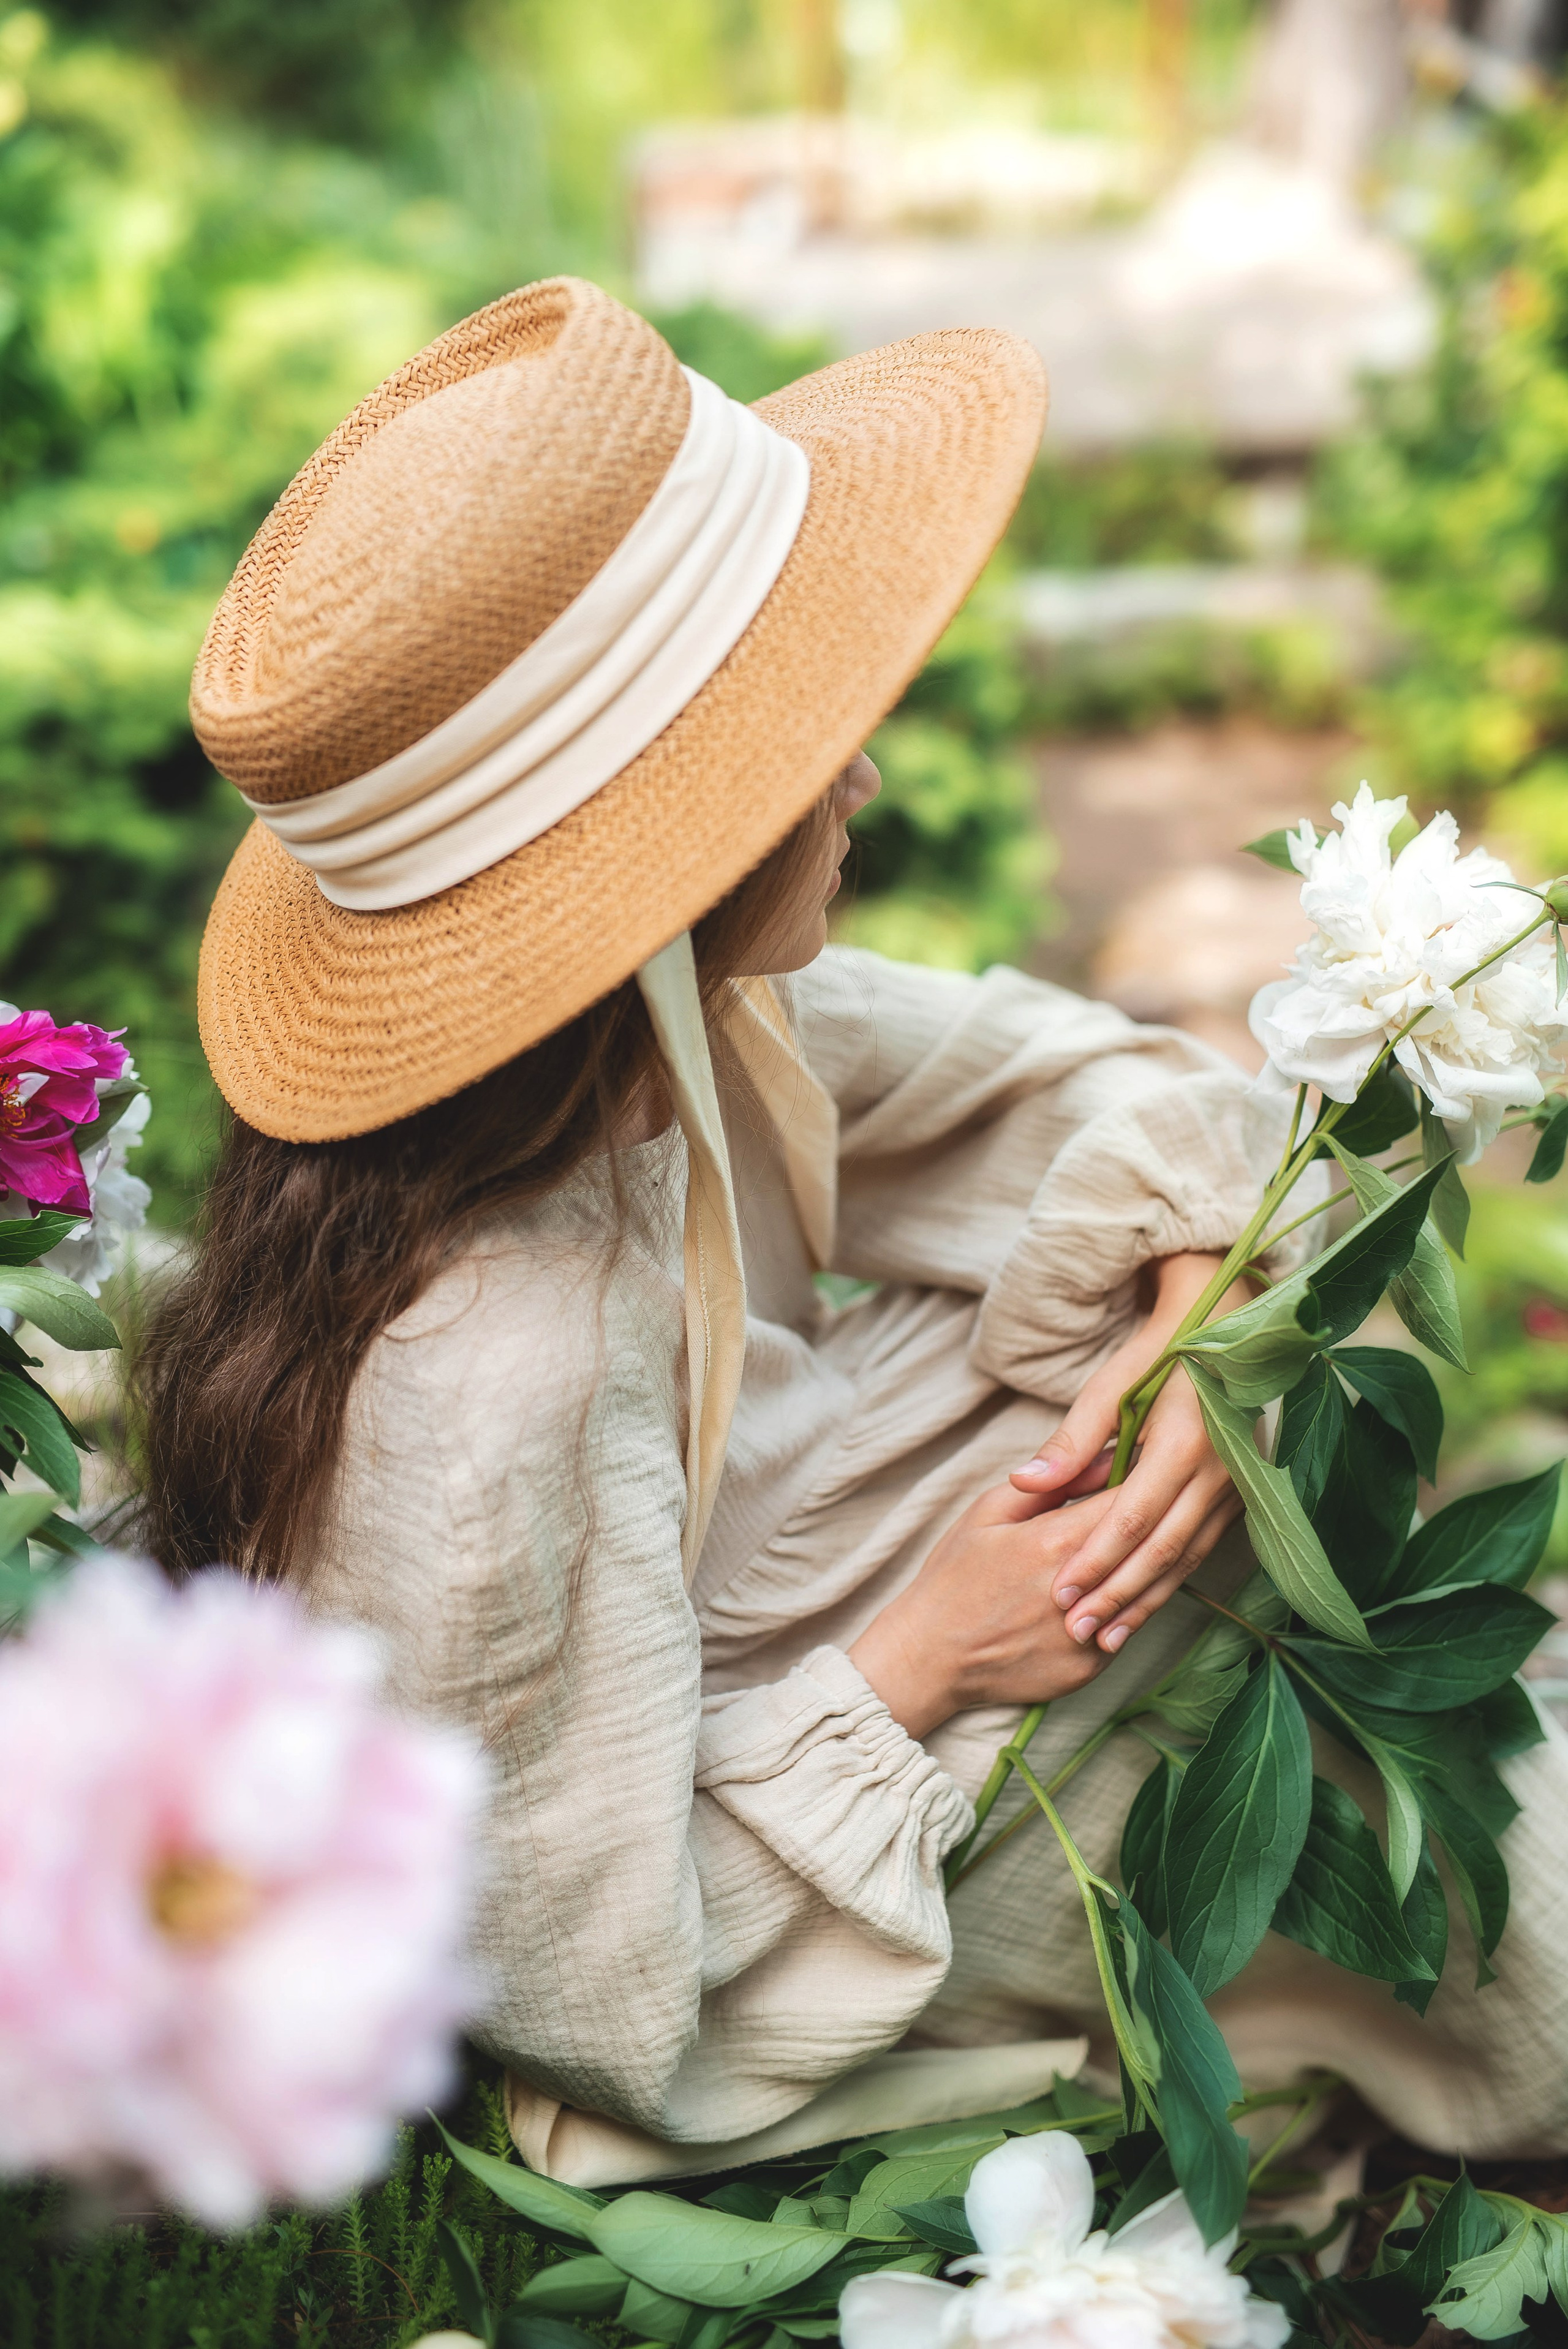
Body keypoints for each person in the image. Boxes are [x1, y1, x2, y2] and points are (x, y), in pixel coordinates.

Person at [141, 277, 1568, 2185]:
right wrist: (927, 1659)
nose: (869, 772)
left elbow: (1082, 1080)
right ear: (673, 861)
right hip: (833, 1810)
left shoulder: (666, 1032)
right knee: (1459, 1855)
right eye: (801, 744)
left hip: (856, 1599)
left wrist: (1170, 1320)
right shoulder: (491, 1372)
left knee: (1261, 1364)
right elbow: (593, 1971)